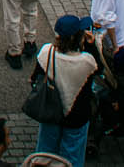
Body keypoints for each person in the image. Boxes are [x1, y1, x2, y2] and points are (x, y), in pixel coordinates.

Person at [32, 15, 100, 167]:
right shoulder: (86, 61)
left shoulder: (46, 53)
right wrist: (91, 45)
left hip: (50, 112)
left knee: (45, 153)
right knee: (72, 156)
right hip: (77, 116)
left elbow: (35, 77)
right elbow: (99, 68)